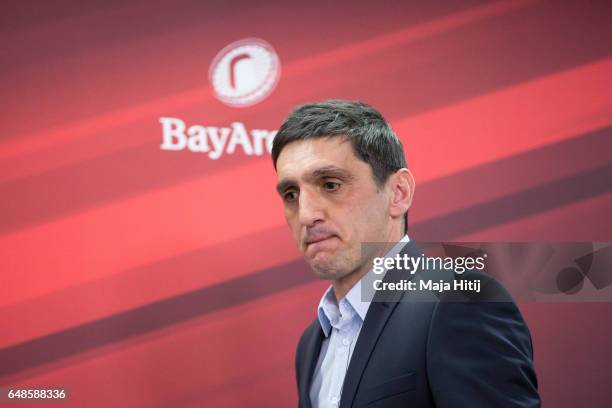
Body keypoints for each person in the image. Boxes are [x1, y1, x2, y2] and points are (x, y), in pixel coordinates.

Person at [271, 100, 540, 408]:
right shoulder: (311, 342)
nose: (306, 214)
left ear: (398, 193)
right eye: (291, 194)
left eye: (331, 185)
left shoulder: (459, 301)